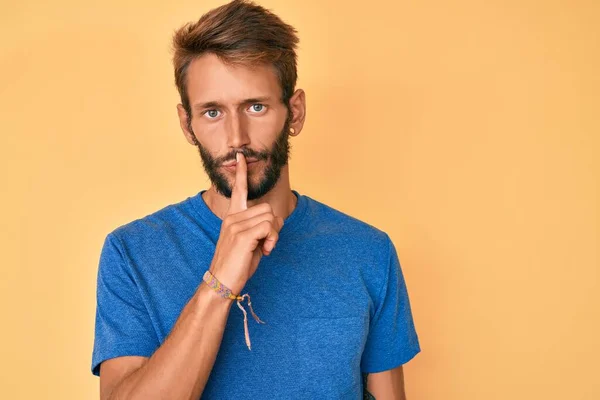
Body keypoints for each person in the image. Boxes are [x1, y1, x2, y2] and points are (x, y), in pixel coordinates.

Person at [90, 0, 421, 398]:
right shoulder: (132, 252)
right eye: (212, 112)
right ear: (187, 125)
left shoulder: (368, 251)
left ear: (294, 112)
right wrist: (218, 284)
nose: (237, 139)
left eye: (256, 106)